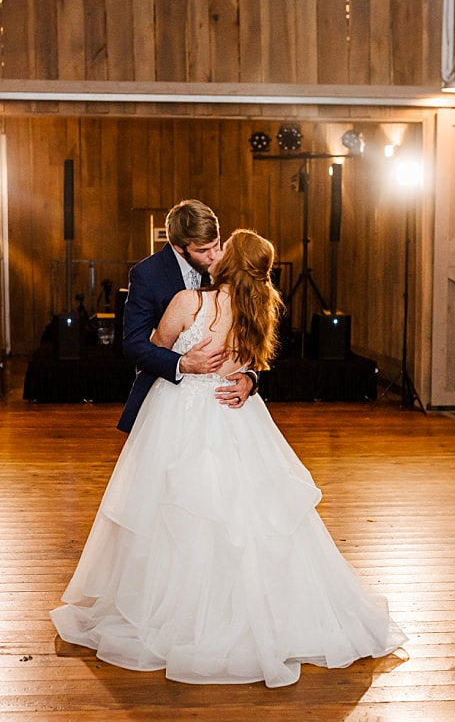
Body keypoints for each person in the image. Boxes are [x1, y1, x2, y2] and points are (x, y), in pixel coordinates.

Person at [51, 230, 407, 688]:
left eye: (222, 249)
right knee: (249, 514)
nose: (214, 254)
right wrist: (247, 379)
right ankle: (260, 612)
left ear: (228, 260)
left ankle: (177, 616)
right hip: (237, 417)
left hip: (182, 413)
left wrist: (193, 364)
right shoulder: (257, 308)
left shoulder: (189, 302)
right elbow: (252, 362)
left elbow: (156, 345)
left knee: (175, 511)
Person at [117, 199, 255, 433]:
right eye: (202, 250)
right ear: (179, 247)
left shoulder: (229, 268)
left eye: (217, 244)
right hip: (167, 401)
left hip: (224, 407)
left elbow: (252, 332)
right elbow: (133, 345)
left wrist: (251, 378)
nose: (213, 256)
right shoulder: (147, 274)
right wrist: (182, 363)